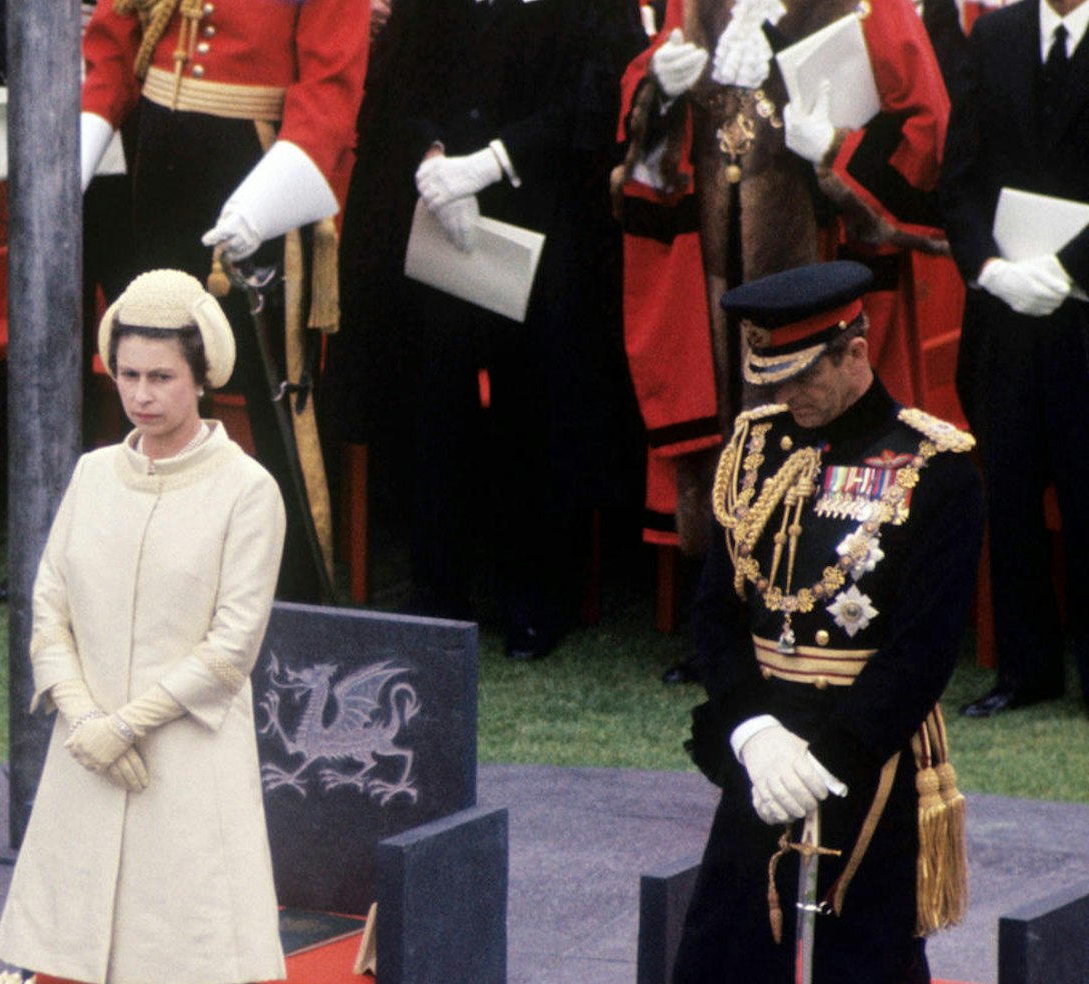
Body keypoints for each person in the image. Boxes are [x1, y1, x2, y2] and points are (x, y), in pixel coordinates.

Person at [677, 261, 981, 984]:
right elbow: (717, 616)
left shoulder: (937, 467)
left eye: (805, 373)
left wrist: (831, 757)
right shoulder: (754, 449)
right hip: (767, 743)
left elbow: (922, 654)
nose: (789, 395)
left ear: (856, 350)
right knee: (706, 977)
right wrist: (751, 735)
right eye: (772, 375)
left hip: (865, 757)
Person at [0, 270, 286, 984]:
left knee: (194, 968)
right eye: (129, 375)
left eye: (162, 376)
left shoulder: (247, 490)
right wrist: (83, 718)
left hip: (185, 760)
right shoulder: (91, 475)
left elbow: (232, 647)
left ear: (201, 378)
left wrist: (125, 721)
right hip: (94, 754)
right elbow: (49, 607)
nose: (143, 393)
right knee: (115, 959)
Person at [331, 0, 644, 658]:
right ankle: (436, 590)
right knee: (435, 396)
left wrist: (495, 162)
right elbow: (399, 77)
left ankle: (534, 599)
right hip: (442, 202)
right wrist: (435, 157)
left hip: (546, 205)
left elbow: (599, 92)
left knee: (536, 399)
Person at [613, 0, 951, 591]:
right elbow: (648, 111)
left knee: (820, 421)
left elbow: (929, 133)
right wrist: (660, 93)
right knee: (727, 433)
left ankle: (824, 602)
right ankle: (729, 598)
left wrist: (835, 148)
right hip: (712, 259)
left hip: (823, 258)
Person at [78, 0, 368, 603]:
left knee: (280, 397)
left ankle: (297, 595)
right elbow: (115, 35)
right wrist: (81, 139)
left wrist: (268, 199)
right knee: (158, 380)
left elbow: (331, 85)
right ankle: (165, 572)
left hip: (256, 168)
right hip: (159, 164)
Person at [938, 0, 1089, 719]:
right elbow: (959, 175)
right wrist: (991, 269)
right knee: (1011, 485)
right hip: (1003, 311)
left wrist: (1067, 272)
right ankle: (1026, 670)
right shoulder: (992, 34)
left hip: (1084, 306)